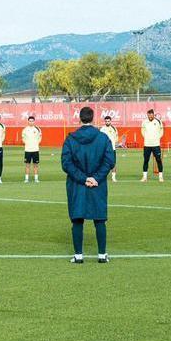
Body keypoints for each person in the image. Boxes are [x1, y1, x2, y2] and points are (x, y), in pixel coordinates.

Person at [61, 106, 115, 263]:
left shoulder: (71, 139)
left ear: (79, 118)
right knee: (99, 219)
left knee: (77, 218)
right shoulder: (103, 138)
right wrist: (95, 178)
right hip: (97, 184)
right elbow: (110, 160)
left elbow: (66, 163)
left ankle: (78, 256)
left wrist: (83, 178)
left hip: (77, 185)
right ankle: (102, 255)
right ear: (93, 118)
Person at [140, 108, 164, 182]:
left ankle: (160, 177)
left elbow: (161, 132)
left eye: (151, 114)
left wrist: (156, 138)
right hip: (147, 144)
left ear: (153, 114)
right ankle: (144, 177)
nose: (150, 116)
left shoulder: (158, 121)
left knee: (158, 160)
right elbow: (142, 131)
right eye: (149, 115)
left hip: (156, 144)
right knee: (146, 160)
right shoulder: (144, 122)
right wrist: (147, 138)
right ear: (147, 115)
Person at [22, 115, 42, 182]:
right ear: (28, 121)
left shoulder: (37, 129)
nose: (31, 122)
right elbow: (23, 139)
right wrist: (27, 143)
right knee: (27, 165)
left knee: (35, 165)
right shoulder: (25, 130)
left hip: (35, 149)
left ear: (34, 121)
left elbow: (40, 138)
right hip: (28, 150)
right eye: (30, 121)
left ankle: (36, 179)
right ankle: (26, 179)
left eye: (32, 121)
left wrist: (36, 143)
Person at [100, 115, 119, 182]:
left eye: (108, 121)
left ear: (110, 121)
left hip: (112, 149)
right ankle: (102, 177)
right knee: (103, 163)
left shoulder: (114, 128)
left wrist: (116, 143)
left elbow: (116, 139)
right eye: (106, 121)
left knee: (113, 163)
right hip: (104, 150)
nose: (107, 122)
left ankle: (113, 178)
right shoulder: (102, 129)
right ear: (104, 122)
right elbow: (100, 140)